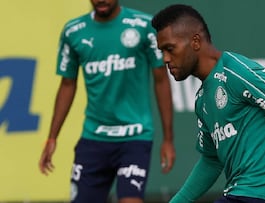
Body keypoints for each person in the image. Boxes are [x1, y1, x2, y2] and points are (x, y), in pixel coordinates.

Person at [151, 4, 265, 203]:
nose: (165, 59)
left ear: (195, 41)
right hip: (240, 195)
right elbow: (211, 161)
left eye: (169, 49)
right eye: (161, 52)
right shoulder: (202, 100)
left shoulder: (236, 72)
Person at [38, 0, 176, 203]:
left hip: (135, 135)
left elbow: (161, 80)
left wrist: (168, 139)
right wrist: (52, 137)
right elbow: (67, 85)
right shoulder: (74, 31)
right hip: (94, 137)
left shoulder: (143, 26)